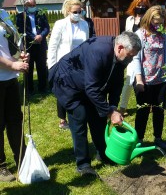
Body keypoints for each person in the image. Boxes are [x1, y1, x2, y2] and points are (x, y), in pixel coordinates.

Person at [48, 31, 141, 177]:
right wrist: (111, 112)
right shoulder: (99, 51)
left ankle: (103, 154)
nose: (131, 59)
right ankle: (83, 164)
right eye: (130, 55)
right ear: (120, 47)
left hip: (90, 85)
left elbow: (116, 83)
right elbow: (91, 88)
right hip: (68, 84)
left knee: (99, 119)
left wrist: (112, 108)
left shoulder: (122, 57)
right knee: (80, 119)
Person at [131, 5, 166, 149]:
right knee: (142, 110)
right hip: (143, 79)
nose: (158, 25)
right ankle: (139, 139)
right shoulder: (140, 35)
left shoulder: (163, 35)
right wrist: (139, 80)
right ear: (149, 19)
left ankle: (158, 138)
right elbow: (136, 58)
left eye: (161, 22)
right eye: (155, 22)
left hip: (160, 79)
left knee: (159, 109)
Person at [0, 0, 29, 182]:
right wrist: (12, 64)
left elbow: (13, 40)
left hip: (10, 78)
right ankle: (1, 166)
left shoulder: (3, 14)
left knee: (14, 119)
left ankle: (22, 157)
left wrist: (21, 52)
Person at [47, 0, 90, 129]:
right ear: (68, 11)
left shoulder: (84, 24)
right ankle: (62, 119)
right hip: (63, 63)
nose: (78, 13)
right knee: (63, 91)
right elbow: (53, 46)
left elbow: (87, 44)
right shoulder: (60, 24)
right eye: (75, 11)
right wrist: (52, 66)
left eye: (80, 11)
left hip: (80, 64)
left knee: (78, 90)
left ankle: (78, 115)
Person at [119, 0, 150, 115]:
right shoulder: (130, 20)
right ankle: (122, 107)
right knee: (129, 80)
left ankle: (146, 104)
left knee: (144, 79)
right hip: (133, 53)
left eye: (144, 6)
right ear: (134, 6)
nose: (141, 8)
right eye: (139, 5)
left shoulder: (148, 19)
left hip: (146, 53)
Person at [16, 0, 50, 94]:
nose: (32, 7)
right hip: (28, 45)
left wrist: (41, 35)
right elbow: (21, 30)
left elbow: (46, 27)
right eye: (30, 5)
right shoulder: (20, 16)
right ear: (25, 6)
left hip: (40, 44)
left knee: (42, 67)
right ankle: (29, 89)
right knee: (28, 67)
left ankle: (43, 87)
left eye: (34, 5)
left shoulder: (41, 14)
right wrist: (34, 37)